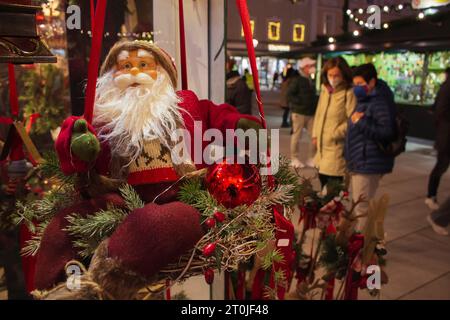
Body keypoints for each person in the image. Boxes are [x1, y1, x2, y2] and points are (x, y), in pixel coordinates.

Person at [345, 63, 397, 231]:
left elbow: (386, 132)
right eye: (355, 84)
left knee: (362, 207)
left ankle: (362, 245)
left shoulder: (378, 102)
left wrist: (361, 122)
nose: (356, 88)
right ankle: (358, 242)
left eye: (360, 84)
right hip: (360, 160)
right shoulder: (366, 99)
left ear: (372, 82)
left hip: (368, 162)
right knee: (358, 204)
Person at [312, 57, 356, 188]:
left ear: (344, 74)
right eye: (330, 75)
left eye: (337, 75)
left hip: (336, 148)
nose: (333, 78)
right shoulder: (325, 90)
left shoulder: (349, 92)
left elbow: (352, 120)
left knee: (333, 191)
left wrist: (335, 133)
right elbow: (319, 113)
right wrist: (315, 134)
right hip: (321, 149)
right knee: (323, 186)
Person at [425, 67, 450, 210]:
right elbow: (440, 112)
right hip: (446, 137)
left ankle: (431, 195)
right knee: (440, 166)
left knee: (441, 166)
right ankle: (431, 196)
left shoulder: (445, 87)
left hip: (444, 135)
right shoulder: (447, 88)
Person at [287, 57, 318, 168]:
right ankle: (294, 158)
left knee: (314, 136)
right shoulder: (297, 80)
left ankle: (311, 158)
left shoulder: (310, 79)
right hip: (299, 112)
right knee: (296, 136)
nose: (312, 68)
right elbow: (289, 94)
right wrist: (300, 103)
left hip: (310, 113)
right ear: (304, 67)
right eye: (310, 66)